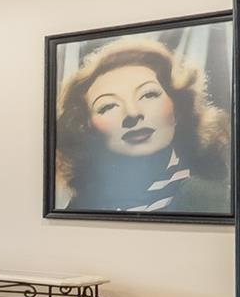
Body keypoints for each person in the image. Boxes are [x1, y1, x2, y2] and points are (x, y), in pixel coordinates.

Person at [55, 38, 230, 213]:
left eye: (148, 94)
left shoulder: (213, 198)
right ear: (88, 127)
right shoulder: (83, 204)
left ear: (177, 108)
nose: (132, 113)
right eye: (108, 106)